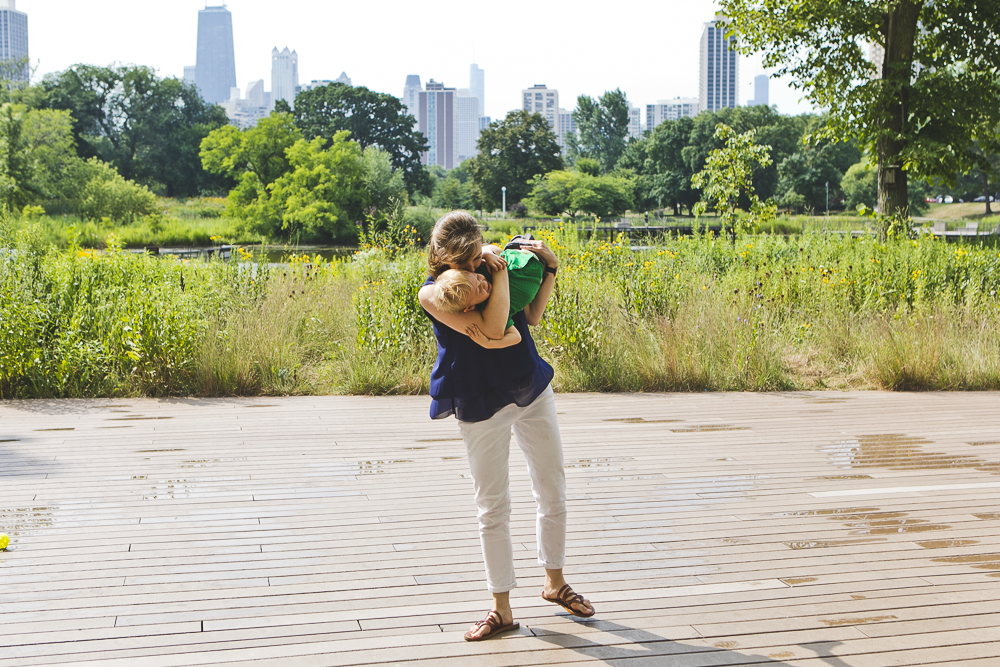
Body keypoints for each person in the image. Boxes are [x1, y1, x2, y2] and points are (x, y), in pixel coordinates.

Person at [417, 211, 595, 642]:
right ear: (441, 256)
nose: (476, 264)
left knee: (552, 487)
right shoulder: (432, 294)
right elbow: (496, 326)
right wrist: (495, 273)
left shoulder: (489, 263)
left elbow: (529, 317)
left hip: (528, 383)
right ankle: (502, 608)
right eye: (467, 259)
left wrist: (550, 267)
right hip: (479, 398)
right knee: (492, 506)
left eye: (477, 253)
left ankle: (554, 582)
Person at [429, 247, 546, 349]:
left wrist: (487, 255)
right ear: (470, 307)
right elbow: (516, 337)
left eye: (478, 278)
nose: (483, 283)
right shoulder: (492, 309)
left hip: (520, 255)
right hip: (539, 266)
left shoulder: (482, 271)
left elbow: (483, 251)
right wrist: (488, 343)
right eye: (479, 290)